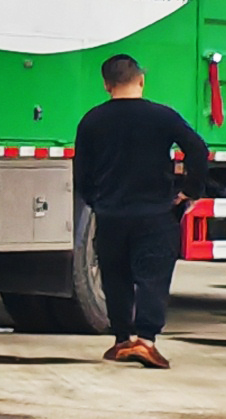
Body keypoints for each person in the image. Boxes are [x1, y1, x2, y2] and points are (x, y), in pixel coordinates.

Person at [69, 51, 204, 367]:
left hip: (111, 214)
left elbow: (81, 171)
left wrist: (95, 200)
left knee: (114, 276)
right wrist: (189, 191)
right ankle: (145, 340)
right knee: (152, 276)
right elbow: (197, 149)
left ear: (106, 85)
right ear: (141, 79)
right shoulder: (163, 116)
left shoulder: (92, 120)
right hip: (154, 213)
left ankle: (121, 339)